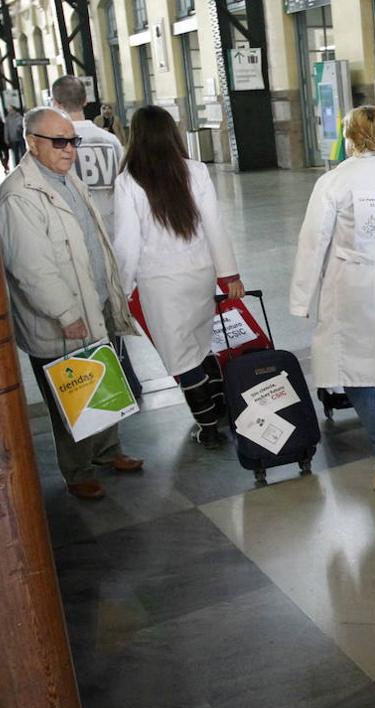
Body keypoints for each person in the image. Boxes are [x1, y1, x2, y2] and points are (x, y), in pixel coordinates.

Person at [0, 107, 144, 499]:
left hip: (93, 303)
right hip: (61, 319)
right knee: (71, 397)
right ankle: (78, 470)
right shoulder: (18, 196)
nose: (69, 150)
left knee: (103, 382)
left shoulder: (68, 180)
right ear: (31, 142)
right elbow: (32, 268)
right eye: (59, 142)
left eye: (72, 141)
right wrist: (65, 313)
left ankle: (107, 451)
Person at [290, 105, 375, 493]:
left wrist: (301, 298)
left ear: (350, 137)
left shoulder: (334, 181)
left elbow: (313, 242)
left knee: (353, 368)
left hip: (350, 287)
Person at [111, 106, 243, 448]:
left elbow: (127, 244)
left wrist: (121, 289)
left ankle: (208, 424)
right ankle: (220, 407)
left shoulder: (129, 181)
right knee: (199, 343)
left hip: (159, 283)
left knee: (180, 355)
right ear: (173, 133)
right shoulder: (196, 171)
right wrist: (229, 275)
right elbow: (215, 225)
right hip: (199, 276)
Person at [53, 77, 125, 240]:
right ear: (85, 101)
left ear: (56, 104)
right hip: (112, 230)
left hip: (75, 233)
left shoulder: (56, 145)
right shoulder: (111, 141)